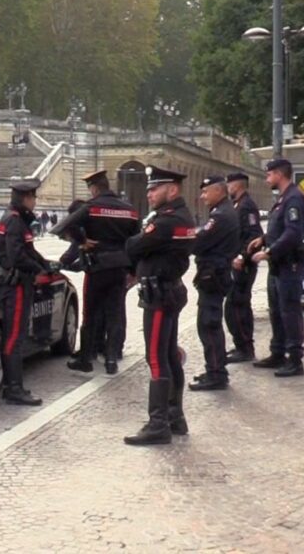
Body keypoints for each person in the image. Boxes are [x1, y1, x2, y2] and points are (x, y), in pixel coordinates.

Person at [123, 166, 196, 446]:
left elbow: (134, 246)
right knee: (168, 355)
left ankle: (157, 424)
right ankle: (175, 417)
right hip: (169, 290)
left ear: (172, 190)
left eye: (155, 188)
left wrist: (138, 241)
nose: (149, 193)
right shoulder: (181, 217)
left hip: (160, 295)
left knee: (155, 357)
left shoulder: (167, 221)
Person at [53, 169, 140, 375]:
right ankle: (111, 360)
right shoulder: (130, 210)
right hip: (119, 268)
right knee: (115, 315)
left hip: (97, 267)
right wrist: (133, 269)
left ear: (93, 189)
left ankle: (86, 359)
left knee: (90, 315)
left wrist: (82, 241)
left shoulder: (92, 208)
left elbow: (63, 226)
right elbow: (136, 242)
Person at [0, 179, 57, 406]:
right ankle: (14, 388)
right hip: (17, 285)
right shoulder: (14, 221)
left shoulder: (17, 219)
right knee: (14, 337)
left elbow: (28, 251)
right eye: (33, 197)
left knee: (16, 336)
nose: (35, 201)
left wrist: (46, 265)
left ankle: (14, 386)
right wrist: (37, 270)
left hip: (20, 283)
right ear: (26, 198)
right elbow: (16, 256)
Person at [249, 158, 304, 378]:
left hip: (288, 264)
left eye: (269, 175)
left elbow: (293, 233)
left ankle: (295, 359)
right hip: (278, 266)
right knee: (276, 311)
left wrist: (270, 251)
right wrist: (263, 239)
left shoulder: (294, 198)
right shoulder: (284, 198)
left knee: (290, 311)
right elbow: (279, 227)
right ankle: (278, 353)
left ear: (279, 174)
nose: (267, 179)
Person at [189, 176, 241, 392]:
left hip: (213, 275)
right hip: (216, 274)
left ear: (218, 191)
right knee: (209, 324)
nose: (202, 197)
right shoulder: (224, 211)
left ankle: (217, 373)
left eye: (205, 192)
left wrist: (194, 238)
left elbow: (198, 243)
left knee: (208, 325)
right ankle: (215, 369)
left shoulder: (220, 215)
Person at [224, 172, 263, 363]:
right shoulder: (237, 204)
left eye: (229, 185)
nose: (227, 188)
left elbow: (254, 235)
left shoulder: (247, 206)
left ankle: (245, 347)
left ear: (237, 186)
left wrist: (242, 256)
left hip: (243, 266)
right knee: (236, 305)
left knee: (237, 305)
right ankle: (241, 345)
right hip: (236, 264)